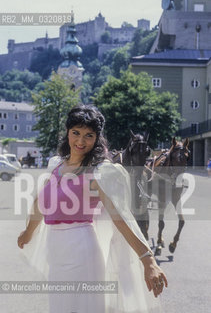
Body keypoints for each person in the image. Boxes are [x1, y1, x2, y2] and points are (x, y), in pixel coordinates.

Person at [17, 104, 168, 313]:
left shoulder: (98, 172)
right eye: (76, 133)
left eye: (89, 135)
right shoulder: (56, 166)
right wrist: (28, 232)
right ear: (67, 133)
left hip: (82, 252)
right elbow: (40, 204)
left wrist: (148, 260)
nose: (80, 141)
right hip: (56, 254)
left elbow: (120, 218)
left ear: (97, 138)